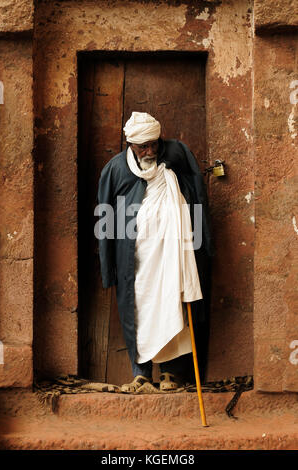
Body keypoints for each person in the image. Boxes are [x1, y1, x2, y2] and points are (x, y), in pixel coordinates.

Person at [97, 112, 213, 392]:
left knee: (173, 303)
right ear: (130, 145)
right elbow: (105, 216)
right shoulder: (115, 169)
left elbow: (196, 196)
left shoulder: (175, 159)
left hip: (172, 252)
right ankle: (142, 373)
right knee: (138, 310)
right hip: (133, 258)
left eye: (153, 144)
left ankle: (171, 374)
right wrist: (108, 264)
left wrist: (201, 241)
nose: (149, 151)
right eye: (142, 147)